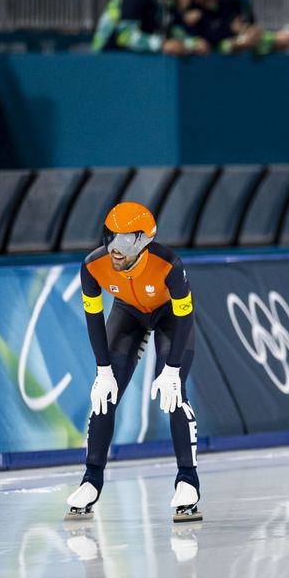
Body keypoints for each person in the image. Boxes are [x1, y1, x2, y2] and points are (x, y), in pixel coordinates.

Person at [65, 202, 202, 523]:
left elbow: (185, 317)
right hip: (128, 314)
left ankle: (188, 480)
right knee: (104, 395)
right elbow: (94, 318)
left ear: (143, 242)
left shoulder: (170, 265)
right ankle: (91, 480)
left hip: (170, 318)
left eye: (124, 240)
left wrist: (172, 369)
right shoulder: (93, 266)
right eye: (109, 236)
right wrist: (102, 370)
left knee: (174, 394)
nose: (114, 248)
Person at [92, 0, 209, 56]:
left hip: (136, 63)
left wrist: (193, 43)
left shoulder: (167, 2)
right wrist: (162, 45)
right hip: (107, 60)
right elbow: (125, 36)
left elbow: (176, 32)